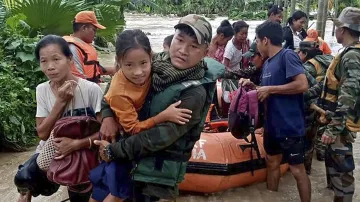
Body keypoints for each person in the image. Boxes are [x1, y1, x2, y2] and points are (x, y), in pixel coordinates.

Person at [95, 14, 222, 201]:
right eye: (180, 40)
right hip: (130, 161)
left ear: (205, 52)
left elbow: (158, 138)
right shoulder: (153, 63)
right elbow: (115, 87)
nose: (183, 50)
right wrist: (107, 116)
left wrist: (113, 151)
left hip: (153, 177)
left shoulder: (194, 94)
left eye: (193, 46)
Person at [89, 29, 192, 202]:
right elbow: (133, 128)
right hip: (124, 138)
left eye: (143, 63)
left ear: (151, 57)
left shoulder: (158, 64)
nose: (138, 72)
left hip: (135, 141)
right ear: (119, 62)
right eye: (129, 65)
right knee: (117, 191)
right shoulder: (118, 91)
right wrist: (164, 116)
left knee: (109, 185)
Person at [16, 35, 103, 202]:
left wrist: (77, 144)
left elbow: (105, 132)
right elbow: (42, 133)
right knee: (24, 179)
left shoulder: (90, 90)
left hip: (84, 148)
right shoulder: (42, 90)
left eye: (56, 59)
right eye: (44, 61)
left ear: (69, 59)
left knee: (81, 191)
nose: (50, 67)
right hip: (52, 148)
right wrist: (60, 102)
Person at [240, 21, 311, 202]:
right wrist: (254, 87)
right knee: (272, 163)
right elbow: (268, 92)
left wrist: (269, 89)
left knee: (297, 169)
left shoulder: (287, 56)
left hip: (290, 126)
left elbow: (302, 84)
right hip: (272, 125)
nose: (255, 43)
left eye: (256, 39)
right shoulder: (267, 64)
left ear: (265, 40)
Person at [318, 7, 360, 202]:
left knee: (343, 175)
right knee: (336, 172)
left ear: (343, 29)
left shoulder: (351, 56)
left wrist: (333, 129)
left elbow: (348, 94)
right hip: (338, 122)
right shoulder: (349, 54)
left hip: (340, 126)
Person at [297, 41, 334, 174]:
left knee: (306, 140)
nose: (297, 54)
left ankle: (305, 170)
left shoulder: (308, 66)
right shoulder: (329, 60)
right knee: (323, 141)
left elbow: (305, 88)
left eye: (299, 52)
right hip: (328, 104)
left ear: (305, 54)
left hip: (312, 106)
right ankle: (327, 177)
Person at [63, 11, 115, 83]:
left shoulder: (83, 45)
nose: (95, 34)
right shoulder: (73, 48)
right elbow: (76, 78)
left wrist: (114, 70)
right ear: (84, 28)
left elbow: (94, 68)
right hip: (83, 91)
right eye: (94, 30)